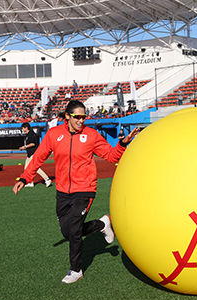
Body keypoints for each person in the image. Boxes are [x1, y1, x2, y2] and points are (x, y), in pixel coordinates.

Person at [13, 99, 140, 284]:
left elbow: (111, 156)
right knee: (67, 232)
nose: (81, 120)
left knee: (73, 230)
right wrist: (25, 178)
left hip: (85, 189)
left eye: (84, 117)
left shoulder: (91, 135)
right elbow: (38, 157)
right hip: (63, 191)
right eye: (77, 117)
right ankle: (101, 224)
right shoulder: (54, 134)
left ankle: (76, 270)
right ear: (67, 117)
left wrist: (122, 144)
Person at [19, 122, 52, 188]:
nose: (22, 129)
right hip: (29, 154)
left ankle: (47, 179)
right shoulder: (28, 134)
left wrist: (24, 147)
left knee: (34, 168)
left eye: (23, 128)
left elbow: (33, 144)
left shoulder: (31, 134)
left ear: (26, 128)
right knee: (26, 169)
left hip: (33, 153)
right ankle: (30, 182)